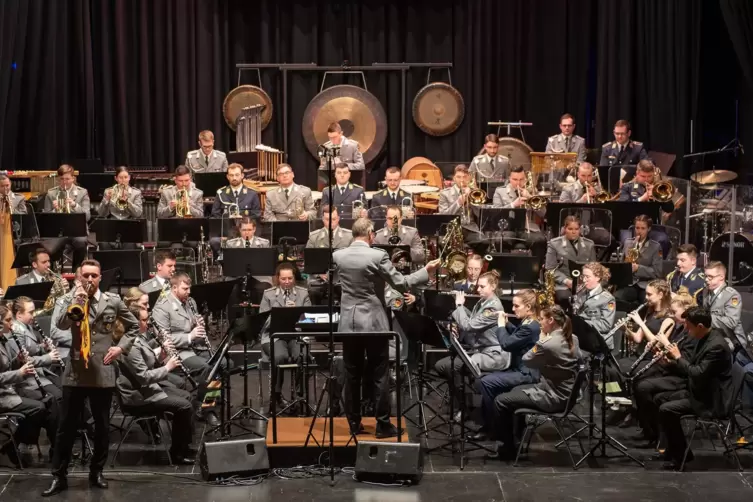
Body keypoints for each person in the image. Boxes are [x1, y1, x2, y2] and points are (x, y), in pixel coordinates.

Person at [333, 217, 439, 437]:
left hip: (348, 323)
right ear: (371, 234)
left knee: (352, 374)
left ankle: (353, 423)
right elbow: (400, 282)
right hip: (373, 323)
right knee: (379, 374)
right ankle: (382, 425)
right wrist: (425, 272)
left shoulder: (338, 256)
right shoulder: (377, 255)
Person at [43, 259, 138, 496]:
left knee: (103, 427)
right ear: (79, 277)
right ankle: (59, 476)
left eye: (94, 275)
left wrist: (120, 348)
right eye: (85, 275)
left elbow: (134, 326)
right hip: (75, 372)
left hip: (102, 371)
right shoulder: (69, 300)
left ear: (99, 278)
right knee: (66, 428)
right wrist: (77, 301)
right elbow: (61, 326)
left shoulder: (113, 301)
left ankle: (96, 472)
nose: (90, 280)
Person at [487, 305, 581, 461]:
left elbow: (527, 360)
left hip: (553, 398)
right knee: (515, 390)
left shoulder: (549, 343)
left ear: (551, 320)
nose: (539, 323)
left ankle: (507, 449)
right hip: (567, 394)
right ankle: (516, 440)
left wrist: (541, 340)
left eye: (542, 319)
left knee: (500, 401)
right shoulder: (573, 338)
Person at [654, 307, 734, 470]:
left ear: (699, 326)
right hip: (699, 390)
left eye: (688, 326)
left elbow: (696, 373)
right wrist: (669, 364)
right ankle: (672, 450)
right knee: (659, 398)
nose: (686, 329)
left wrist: (677, 356)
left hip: (710, 400)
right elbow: (691, 369)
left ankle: (681, 456)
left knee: (667, 409)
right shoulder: (704, 337)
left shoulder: (716, 346)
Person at [115, 305, 195, 464]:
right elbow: (144, 376)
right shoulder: (129, 346)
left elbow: (147, 364)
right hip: (138, 397)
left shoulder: (139, 337)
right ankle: (177, 454)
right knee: (184, 406)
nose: (148, 323)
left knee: (187, 396)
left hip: (147, 389)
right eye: (144, 320)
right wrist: (167, 367)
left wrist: (162, 355)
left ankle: (183, 445)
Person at [436, 271, 507, 420]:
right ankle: (465, 403)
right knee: (443, 366)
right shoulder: (482, 302)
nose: (478, 289)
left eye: (482, 286)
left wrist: (460, 306)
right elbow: (471, 321)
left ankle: (465, 406)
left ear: (493, 286)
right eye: (478, 286)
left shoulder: (493, 307)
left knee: (452, 367)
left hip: (492, 354)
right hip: (480, 351)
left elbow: (469, 326)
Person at [150, 272, 219, 426]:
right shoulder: (162, 307)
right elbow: (163, 339)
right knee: (205, 368)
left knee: (221, 362)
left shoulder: (190, 302)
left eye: (189, 289)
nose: (189, 292)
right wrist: (190, 336)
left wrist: (199, 326)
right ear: (174, 288)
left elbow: (195, 332)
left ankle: (210, 398)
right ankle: (205, 408)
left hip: (193, 347)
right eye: (185, 289)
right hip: (175, 352)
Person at [472, 289, 541, 441]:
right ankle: (491, 426)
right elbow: (518, 334)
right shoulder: (529, 323)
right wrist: (508, 324)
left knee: (486, 382)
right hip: (519, 370)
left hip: (526, 374)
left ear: (528, 307)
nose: (513, 309)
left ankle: (496, 427)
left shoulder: (530, 326)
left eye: (517, 306)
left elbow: (506, 344)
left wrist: (501, 326)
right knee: (485, 380)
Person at [633, 293, 698, 445]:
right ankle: (649, 430)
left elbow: (684, 362)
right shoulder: (679, 327)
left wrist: (666, 348)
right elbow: (673, 354)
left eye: (674, 312)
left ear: (686, 311)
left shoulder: (691, 333)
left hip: (682, 378)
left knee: (643, 387)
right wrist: (659, 351)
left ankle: (653, 433)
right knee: (640, 381)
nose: (672, 316)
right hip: (671, 370)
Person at [0, 304, 50, 468]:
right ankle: (11, 444)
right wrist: (20, 373)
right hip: (2, 395)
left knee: (45, 404)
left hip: (8, 390)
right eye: (8, 320)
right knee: (38, 408)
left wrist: (18, 360)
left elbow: (6, 366)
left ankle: (15, 442)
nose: (11, 324)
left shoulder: (4, 339)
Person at [258, 263, 312, 410]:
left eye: (290, 278)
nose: (287, 282)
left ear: (294, 278)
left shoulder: (303, 293)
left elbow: (309, 319)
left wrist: (297, 312)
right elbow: (263, 321)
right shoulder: (268, 294)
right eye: (283, 279)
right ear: (278, 279)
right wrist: (282, 313)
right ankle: (276, 395)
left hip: (296, 335)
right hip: (274, 335)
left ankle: (300, 395)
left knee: (303, 357)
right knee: (279, 357)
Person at [698, 261, 751, 361]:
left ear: (721, 277)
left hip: (730, 340)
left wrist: (706, 318)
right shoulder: (707, 291)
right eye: (705, 276)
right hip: (713, 336)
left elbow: (731, 322)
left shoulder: (731, 295)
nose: (706, 280)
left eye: (710, 277)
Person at [491, 166, 547, 257]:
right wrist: (513, 204)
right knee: (501, 240)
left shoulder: (532, 191)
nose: (518, 182)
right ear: (509, 178)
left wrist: (530, 197)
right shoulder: (500, 191)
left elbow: (543, 213)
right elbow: (496, 214)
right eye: (515, 179)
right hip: (508, 228)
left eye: (521, 179)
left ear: (525, 179)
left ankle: (536, 269)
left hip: (527, 228)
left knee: (540, 240)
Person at [43, 165, 91, 270]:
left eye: (68, 179)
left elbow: (87, 216)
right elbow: (45, 220)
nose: (65, 182)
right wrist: (55, 210)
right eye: (62, 179)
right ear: (58, 179)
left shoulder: (82, 192)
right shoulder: (51, 194)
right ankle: (55, 272)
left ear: (73, 178)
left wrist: (74, 205)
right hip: (58, 232)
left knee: (81, 242)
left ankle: (77, 271)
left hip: (77, 231)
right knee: (50, 246)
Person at [209, 163, 261, 255]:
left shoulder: (252, 194)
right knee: (214, 241)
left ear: (242, 175)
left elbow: (256, 215)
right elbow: (215, 215)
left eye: (237, 175)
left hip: (247, 232)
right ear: (227, 177)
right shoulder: (221, 193)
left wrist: (244, 220)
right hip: (226, 231)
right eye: (231, 175)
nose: (234, 178)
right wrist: (223, 233)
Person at [544, 215, 596, 306]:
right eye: (570, 229)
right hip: (562, 284)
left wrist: (586, 281)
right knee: (566, 299)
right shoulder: (554, 244)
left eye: (576, 229)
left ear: (580, 229)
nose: (573, 232)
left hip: (584, 283)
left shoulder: (589, 244)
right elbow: (550, 269)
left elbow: (594, 268)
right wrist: (566, 281)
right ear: (564, 229)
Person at [614, 215, 662, 304]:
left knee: (647, 302)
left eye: (643, 228)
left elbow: (657, 272)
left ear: (649, 229)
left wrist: (638, 268)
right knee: (615, 298)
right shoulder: (628, 242)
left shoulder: (656, 247)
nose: (639, 231)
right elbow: (621, 265)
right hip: (629, 284)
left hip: (645, 286)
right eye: (637, 228)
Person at [572, 262, 617, 348]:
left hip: (598, 341)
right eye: (583, 276)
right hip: (583, 337)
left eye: (587, 277)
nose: (584, 280)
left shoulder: (608, 299)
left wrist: (582, 324)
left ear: (597, 277)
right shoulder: (581, 292)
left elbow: (606, 325)